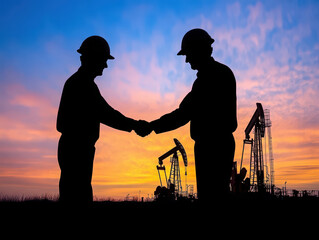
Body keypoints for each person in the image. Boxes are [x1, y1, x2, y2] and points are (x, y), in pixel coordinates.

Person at [146, 28, 238, 203]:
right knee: (217, 193)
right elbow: (185, 110)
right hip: (218, 144)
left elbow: (183, 113)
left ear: (199, 50)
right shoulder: (220, 73)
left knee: (212, 196)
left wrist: (152, 126)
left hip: (212, 146)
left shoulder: (208, 79)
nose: (187, 59)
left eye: (188, 54)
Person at [56, 36, 149, 204]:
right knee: (78, 197)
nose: (106, 65)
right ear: (93, 58)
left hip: (75, 148)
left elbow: (104, 113)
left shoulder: (79, 83)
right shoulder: (83, 85)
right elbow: (107, 114)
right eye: (104, 60)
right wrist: (135, 125)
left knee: (74, 194)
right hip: (77, 150)